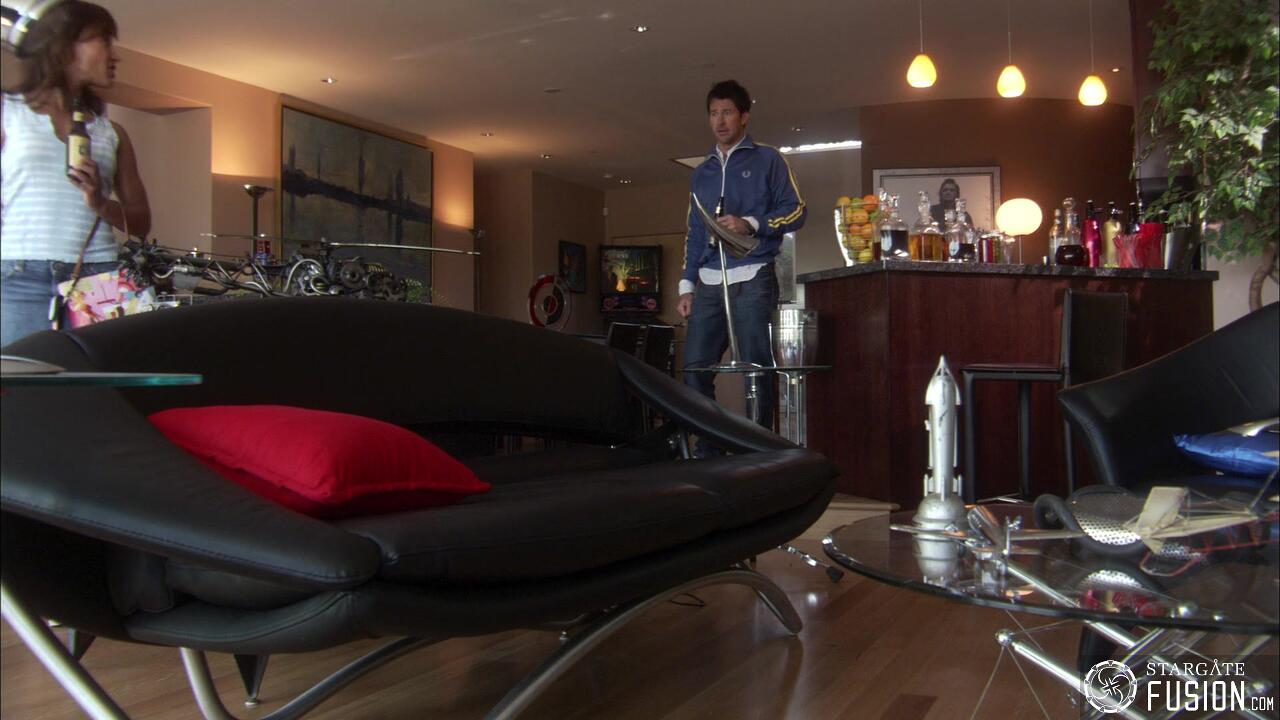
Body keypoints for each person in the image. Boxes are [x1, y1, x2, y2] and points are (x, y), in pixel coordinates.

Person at [1, 0, 150, 346]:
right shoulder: (8, 112)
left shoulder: (112, 134)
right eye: (104, 41)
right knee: (19, 378)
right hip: (19, 275)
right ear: (65, 47)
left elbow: (141, 223)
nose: (114, 56)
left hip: (101, 277)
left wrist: (99, 202)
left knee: (107, 376)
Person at [678, 79, 805, 448]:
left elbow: (796, 211)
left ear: (744, 116)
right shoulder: (701, 173)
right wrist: (686, 285)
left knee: (756, 368)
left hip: (753, 276)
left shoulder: (769, 159)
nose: (720, 121)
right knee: (695, 368)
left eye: (728, 112)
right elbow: (695, 233)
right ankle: (711, 445)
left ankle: (757, 447)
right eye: (714, 113)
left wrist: (750, 223)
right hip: (708, 282)